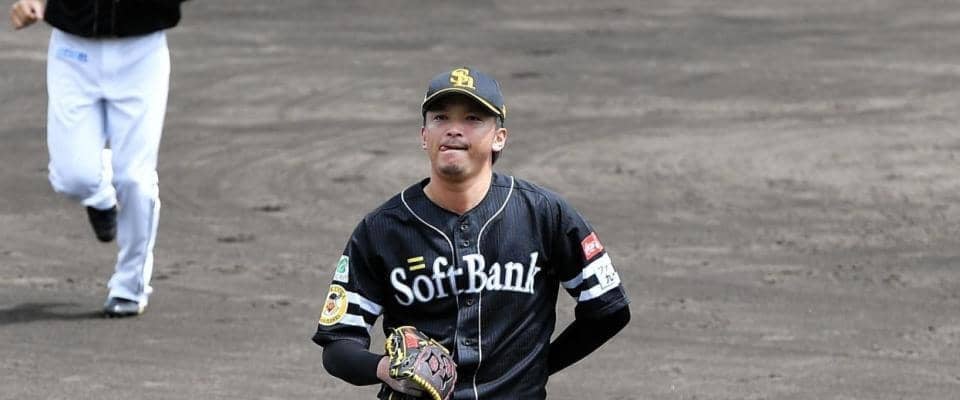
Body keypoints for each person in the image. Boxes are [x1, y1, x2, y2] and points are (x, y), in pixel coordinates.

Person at [311, 66, 631, 399]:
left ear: (499, 137)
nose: (453, 129)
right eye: (440, 118)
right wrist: (386, 368)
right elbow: (338, 344)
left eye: (472, 119)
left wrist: (537, 366)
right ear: (424, 136)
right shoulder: (382, 229)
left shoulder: (544, 214)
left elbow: (609, 309)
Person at [10, 0, 190, 317]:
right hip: (73, 51)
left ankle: (129, 287)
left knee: (135, 180)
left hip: (140, 53)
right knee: (73, 178)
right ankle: (102, 191)